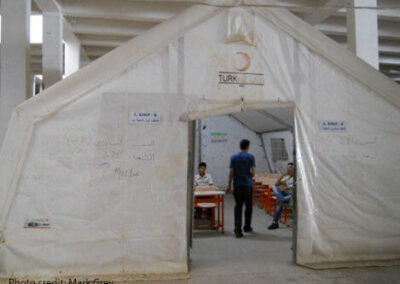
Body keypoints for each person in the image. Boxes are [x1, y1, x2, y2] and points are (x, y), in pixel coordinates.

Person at [226, 139, 256, 238]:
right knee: (249, 207)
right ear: (247, 146)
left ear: (240, 146)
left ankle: (238, 231)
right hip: (248, 185)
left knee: (238, 207)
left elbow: (231, 172)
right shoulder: (251, 157)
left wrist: (229, 185)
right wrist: (250, 175)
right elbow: (253, 172)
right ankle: (247, 227)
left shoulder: (234, 157)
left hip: (237, 185)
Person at [267, 162, 294, 230]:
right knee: (274, 187)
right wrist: (282, 175)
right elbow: (276, 184)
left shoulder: (296, 177)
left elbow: (295, 187)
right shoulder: (286, 177)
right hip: (284, 194)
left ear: (294, 169)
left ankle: (274, 223)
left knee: (279, 205)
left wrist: (286, 188)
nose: (288, 169)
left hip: (291, 195)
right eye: (287, 167)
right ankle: (281, 198)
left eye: (290, 167)